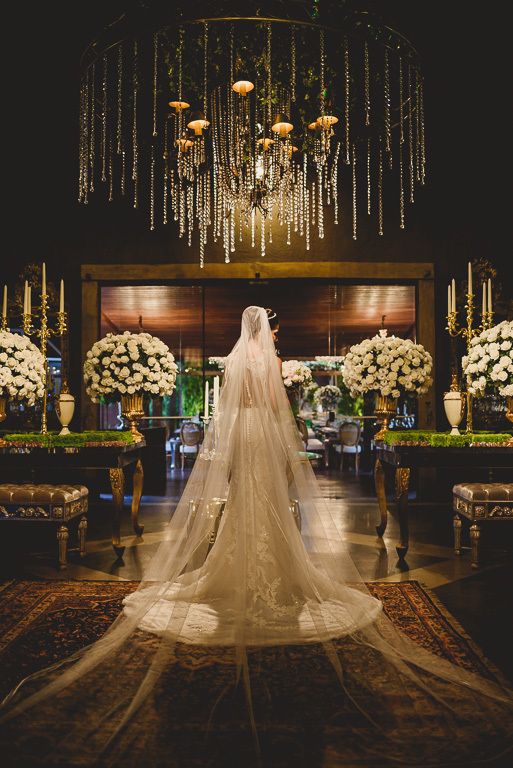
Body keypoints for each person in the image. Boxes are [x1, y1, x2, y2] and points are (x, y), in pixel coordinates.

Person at [1, 306, 513, 768]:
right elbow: (274, 407)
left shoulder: (229, 361)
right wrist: (285, 437)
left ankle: (234, 565)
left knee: (243, 499)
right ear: (264, 331)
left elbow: (225, 410)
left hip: (238, 435)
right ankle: (273, 571)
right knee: (270, 505)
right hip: (263, 433)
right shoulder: (266, 362)